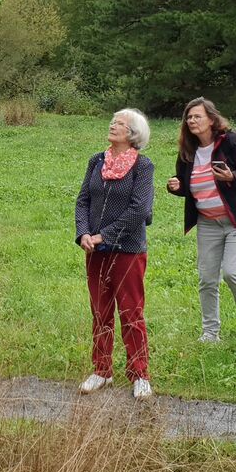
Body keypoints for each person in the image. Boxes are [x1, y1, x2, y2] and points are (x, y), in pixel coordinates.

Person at [165, 97, 236, 345]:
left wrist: (232, 176)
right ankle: (210, 333)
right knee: (207, 278)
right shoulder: (188, 151)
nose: (192, 121)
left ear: (211, 119)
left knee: (233, 273)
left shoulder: (231, 142)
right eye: (188, 117)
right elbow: (185, 184)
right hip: (208, 222)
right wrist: (176, 186)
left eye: (197, 116)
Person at [75, 110, 157, 399]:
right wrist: (84, 233)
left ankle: (140, 374)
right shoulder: (96, 161)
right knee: (100, 311)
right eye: (113, 121)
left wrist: (105, 235)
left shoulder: (143, 167)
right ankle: (101, 370)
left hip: (129, 251)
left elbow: (140, 210)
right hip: (95, 250)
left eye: (120, 123)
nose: (113, 125)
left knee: (131, 312)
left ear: (133, 133)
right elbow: (83, 200)